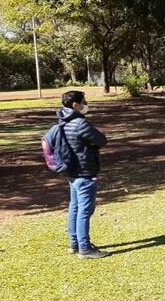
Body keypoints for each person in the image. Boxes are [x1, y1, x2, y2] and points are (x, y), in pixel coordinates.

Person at [56, 90, 110, 259]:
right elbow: (101, 140)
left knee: (75, 207)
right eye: (84, 101)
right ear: (75, 105)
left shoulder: (63, 121)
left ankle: (74, 243)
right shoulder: (80, 123)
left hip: (72, 172)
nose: (86, 104)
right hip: (84, 171)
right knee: (84, 211)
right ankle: (85, 248)